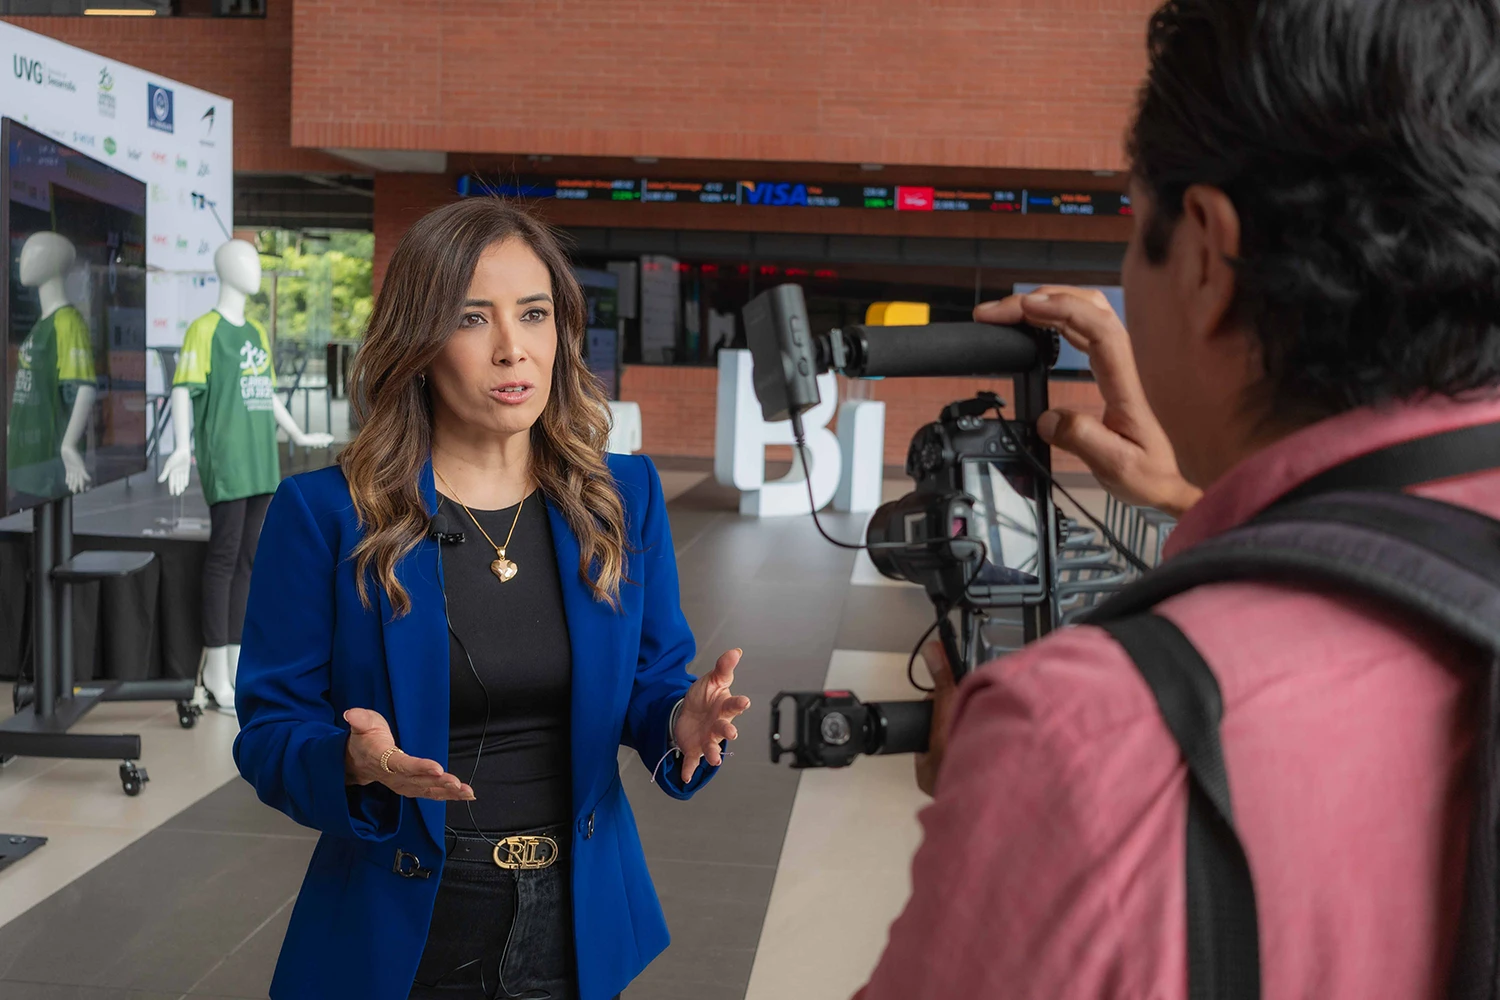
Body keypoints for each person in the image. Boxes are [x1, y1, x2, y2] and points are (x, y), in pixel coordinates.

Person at [858, 0, 1500, 996]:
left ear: (1203, 250)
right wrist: (1194, 495)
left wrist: (1000, 807)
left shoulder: (1093, 742)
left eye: (1130, 227)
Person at [232, 198, 749, 1000]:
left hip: (573, 919)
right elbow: (267, 731)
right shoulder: (328, 514)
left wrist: (679, 721)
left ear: (561, 332)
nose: (514, 350)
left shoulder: (622, 497)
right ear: (420, 344)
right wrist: (350, 760)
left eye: (534, 314)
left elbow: (651, 683)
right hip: (405, 920)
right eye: (473, 319)